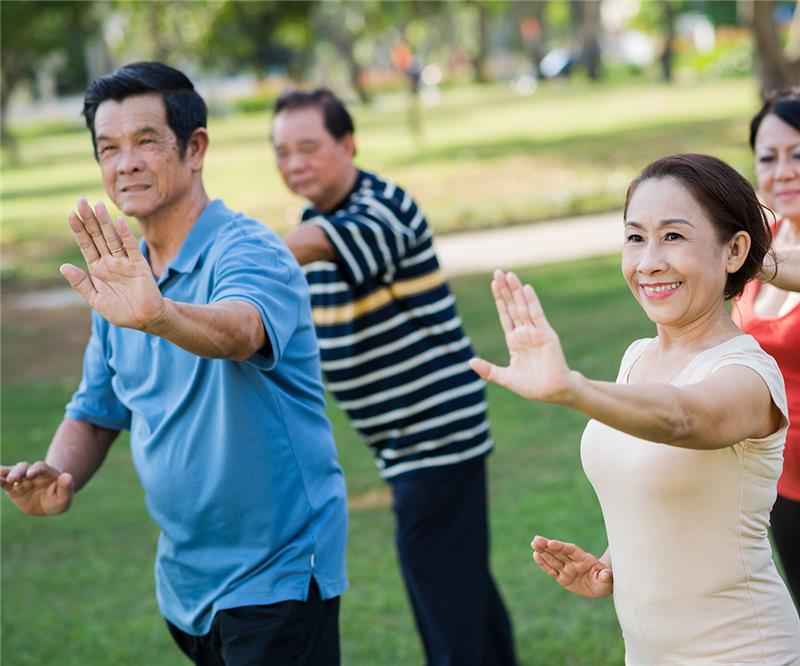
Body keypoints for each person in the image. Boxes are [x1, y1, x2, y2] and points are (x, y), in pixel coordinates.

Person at [0, 62, 348, 665]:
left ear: (195, 148)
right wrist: (57, 475)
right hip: (186, 584)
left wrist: (159, 313)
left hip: (278, 574)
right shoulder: (123, 278)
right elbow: (96, 409)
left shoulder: (250, 249)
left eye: (145, 142)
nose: (125, 163)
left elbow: (243, 330)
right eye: (108, 148)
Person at [470, 154, 800, 663]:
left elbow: (682, 418)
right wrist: (611, 562)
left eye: (673, 236)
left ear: (734, 250)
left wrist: (571, 389)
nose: (648, 261)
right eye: (634, 237)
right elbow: (664, 492)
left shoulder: (749, 376)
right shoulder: (637, 357)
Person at [271, 88, 516, 666]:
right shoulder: (313, 216)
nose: (294, 162)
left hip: (435, 433)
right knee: (461, 587)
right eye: (281, 152)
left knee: (442, 593)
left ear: (348, 143)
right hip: (403, 442)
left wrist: (223, 258)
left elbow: (310, 247)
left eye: (308, 147)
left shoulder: (382, 206)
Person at [735, 89, 800, 608]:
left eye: (798, 154)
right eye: (768, 158)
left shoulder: (756, 256)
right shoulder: (768, 235)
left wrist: (735, 260)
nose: (783, 171)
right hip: (780, 480)